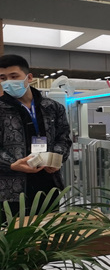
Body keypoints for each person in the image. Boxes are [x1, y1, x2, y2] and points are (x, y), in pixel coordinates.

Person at [0, 54, 72, 218]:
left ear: (29, 77)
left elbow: (64, 138)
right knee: (16, 232)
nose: (8, 82)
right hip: (10, 191)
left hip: (48, 184)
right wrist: (11, 164)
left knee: (49, 229)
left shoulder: (53, 107)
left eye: (14, 76)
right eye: (3, 78)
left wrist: (56, 158)